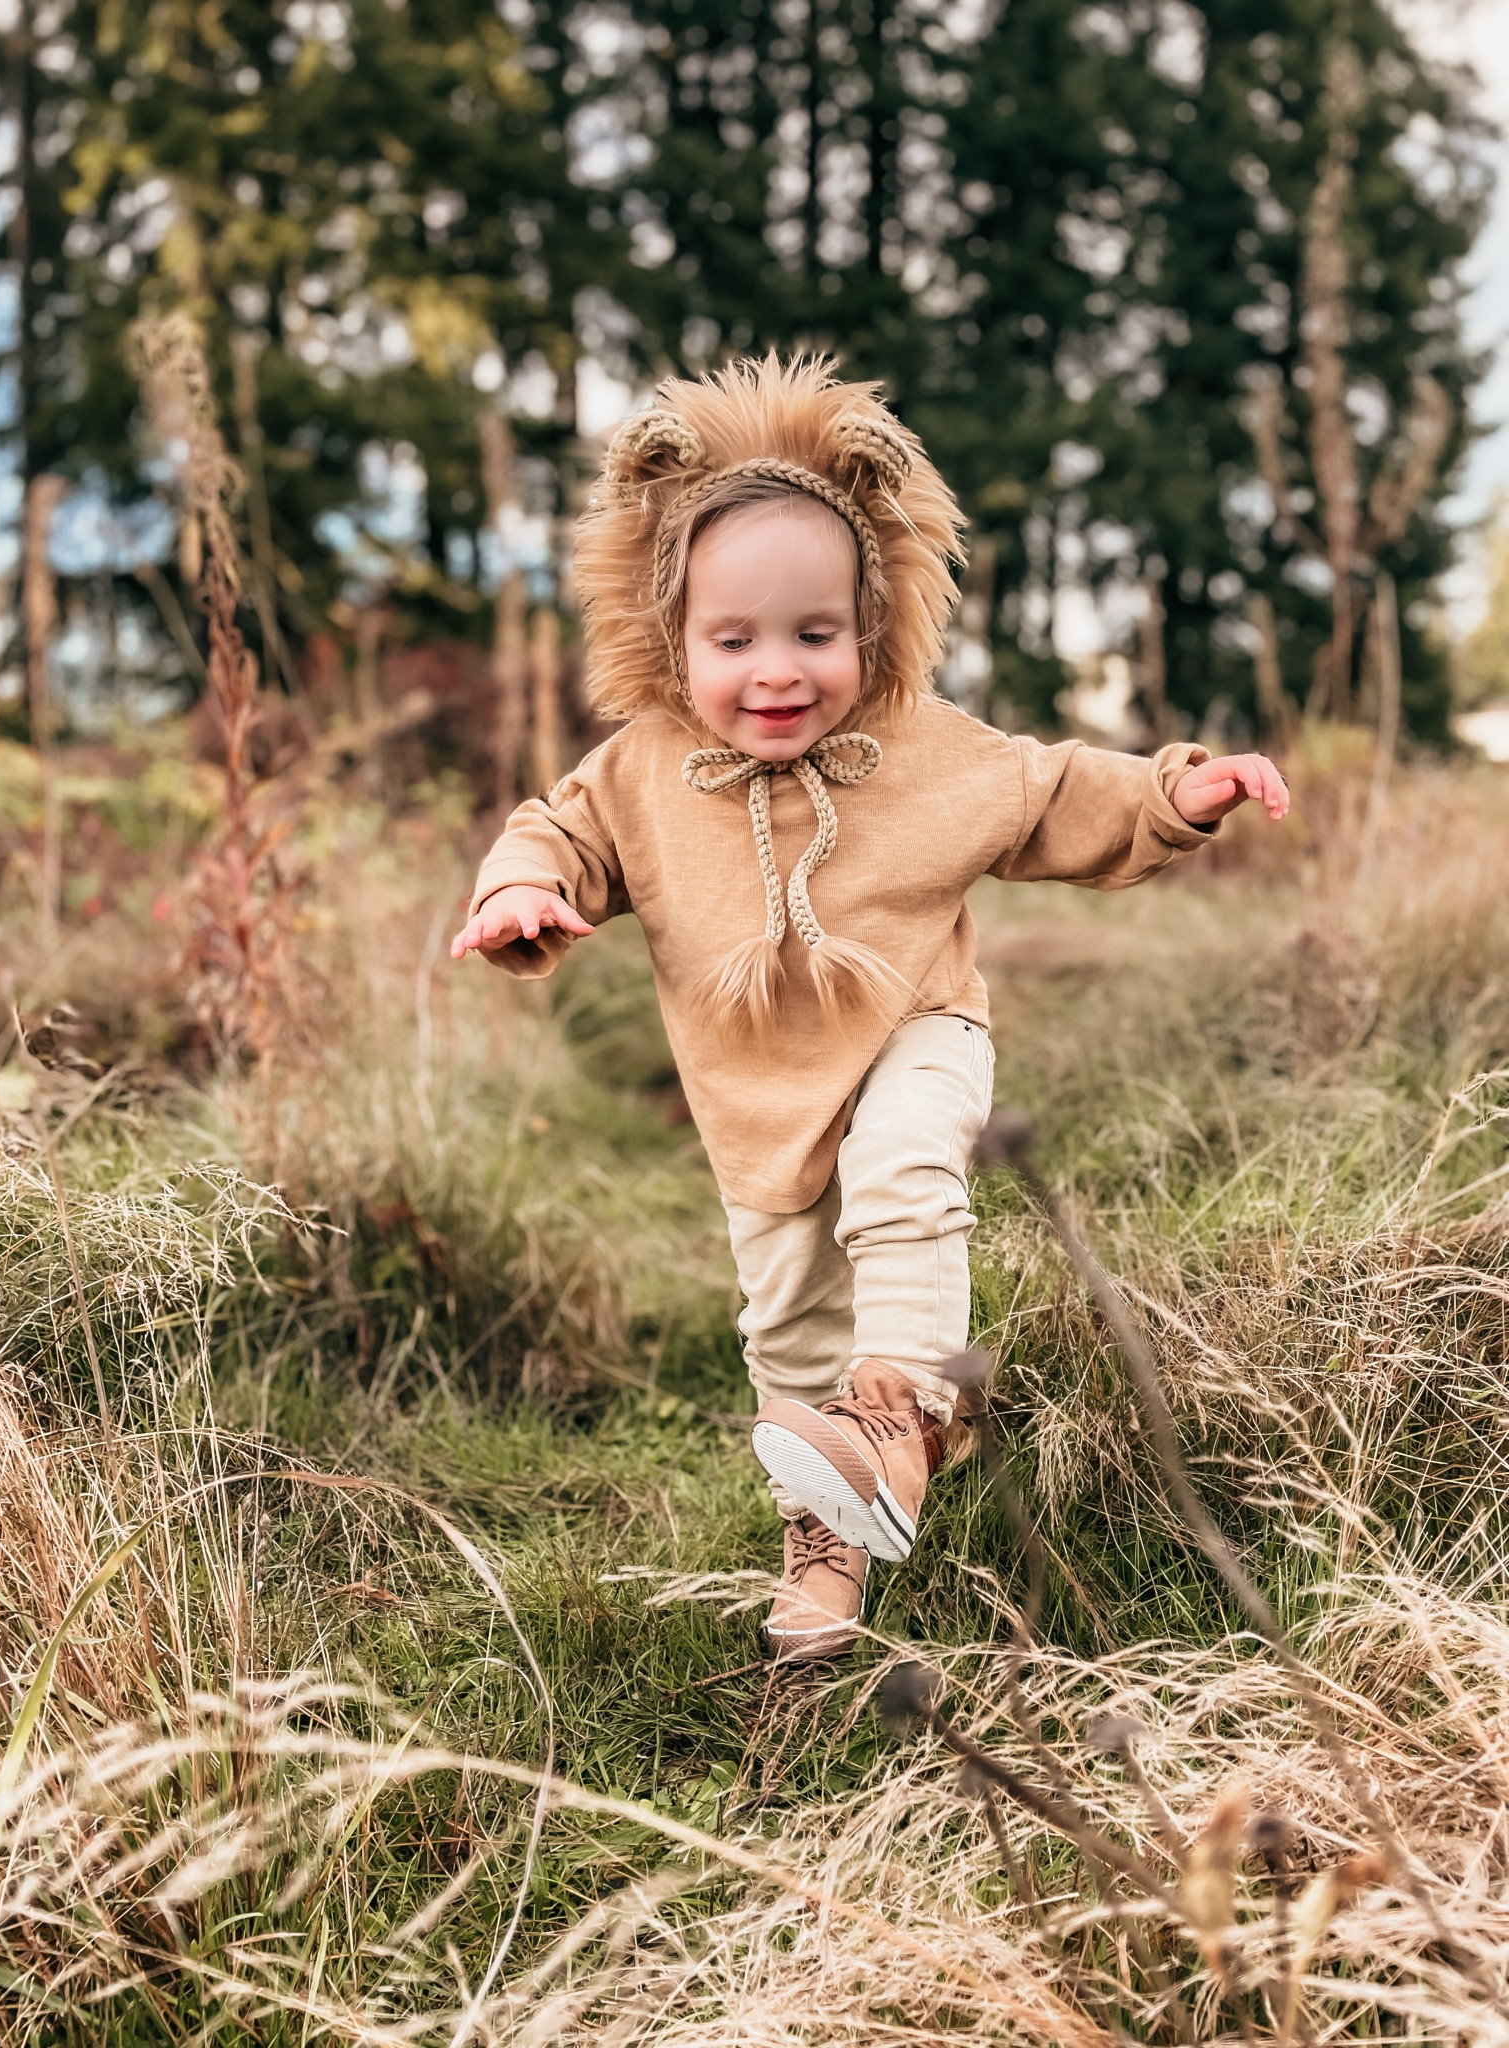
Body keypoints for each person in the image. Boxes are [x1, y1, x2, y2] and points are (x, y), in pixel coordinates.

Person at [451, 355, 1289, 1661]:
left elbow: (1054, 789)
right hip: (753, 1101)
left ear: (872, 623)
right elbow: (554, 833)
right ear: (671, 637)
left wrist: (1178, 793)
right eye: (733, 642)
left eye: (815, 635)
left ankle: (900, 1417)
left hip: (917, 1029)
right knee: (786, 1329)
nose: (777, 672)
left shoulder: (921, 745)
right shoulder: (644, 773)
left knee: (903, 1167)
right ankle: (827, 1543)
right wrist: (521, 894)